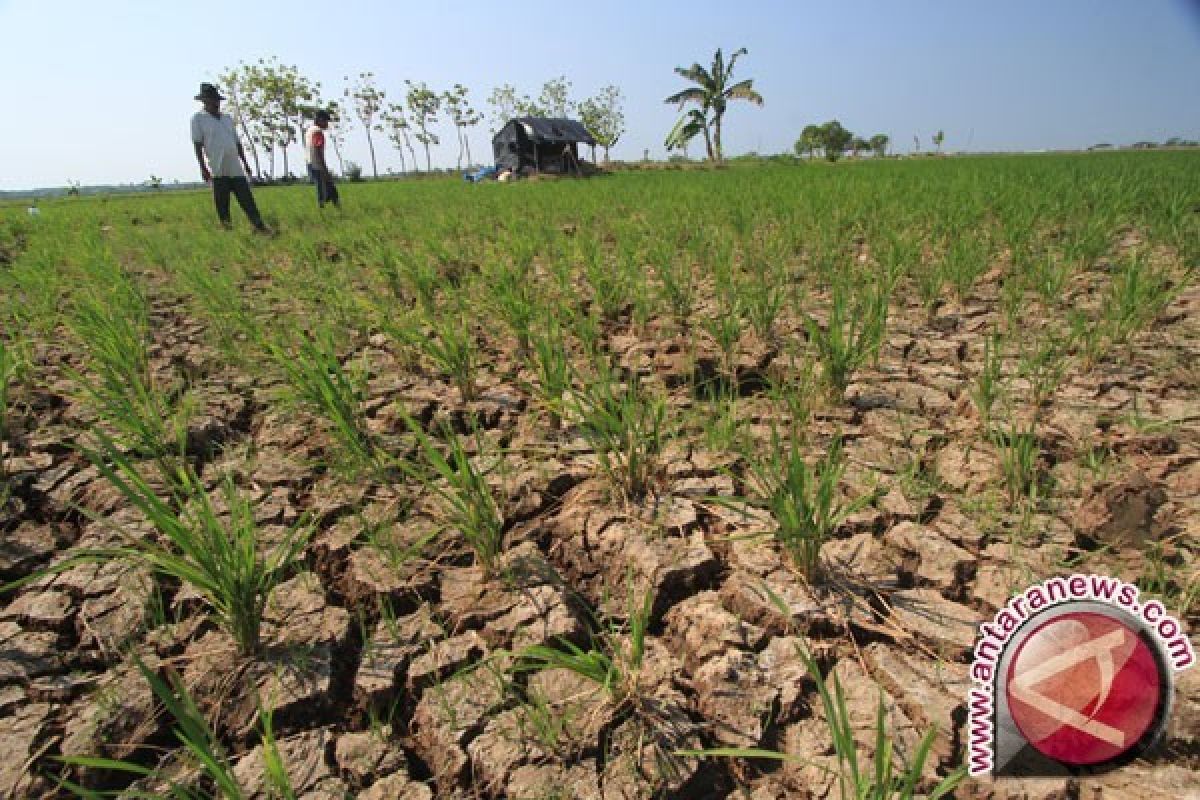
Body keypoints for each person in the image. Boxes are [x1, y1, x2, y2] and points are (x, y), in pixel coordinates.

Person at [190, 83, 270, 233]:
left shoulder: (226, 118)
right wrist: (203, 167)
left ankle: (259, 226)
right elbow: (197, 144)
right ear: (205, 101)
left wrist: (245, 162)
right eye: (213, 100)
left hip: (235, 166)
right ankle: (227, 229)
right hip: (217, 167)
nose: (216, 103)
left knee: (246, 198)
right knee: (222, 202)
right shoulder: (198, 119)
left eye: (217, 100)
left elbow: (237, 142)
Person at [305, 110, 340, 209]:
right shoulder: (317, 131)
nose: (327, 124)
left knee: (325, 188)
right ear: (320, 120)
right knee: (325, 188)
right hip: (317, 164)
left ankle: (332, 208)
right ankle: (325, 209)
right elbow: (318, 148)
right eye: (326, 121)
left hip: (310, 164)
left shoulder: (309, 130)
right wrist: (324, 167)